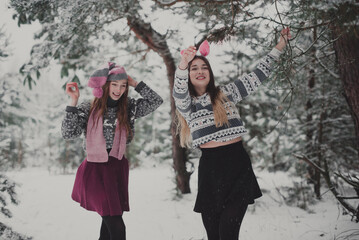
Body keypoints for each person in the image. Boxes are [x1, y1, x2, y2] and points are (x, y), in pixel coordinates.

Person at [173, 27, 291, 240]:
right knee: (214, 235)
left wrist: (280, 45)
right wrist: (183, 64)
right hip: (210, 169)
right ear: (188, 75)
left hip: (237, 166)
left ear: (210, 72)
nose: (200, 71)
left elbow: (257, 76)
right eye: (194, 69)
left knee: (228, 233)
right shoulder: (188, 105)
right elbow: (178, 91)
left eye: (204, 67)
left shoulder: (227, 93)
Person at [61, 62, 163, 240]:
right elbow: (69, 133)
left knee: (108, 230)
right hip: (95, 171)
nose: (119, 89)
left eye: (123, 86)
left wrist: (135, 83)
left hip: (116, 168)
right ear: (105, 85)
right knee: (117, 228)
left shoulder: (128, 107)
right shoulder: (89, 107)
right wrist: (73, 101)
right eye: (114, 84)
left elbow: (156, 101)